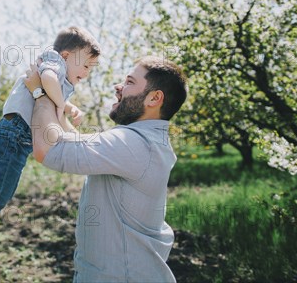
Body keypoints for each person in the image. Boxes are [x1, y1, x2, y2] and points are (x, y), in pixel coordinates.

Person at [0, 27, 101, 281]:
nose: (87, 73)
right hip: (13, 133)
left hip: (19, 140)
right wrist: (64, 108)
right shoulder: (53, 59)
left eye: (91, 68)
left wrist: (70, 122)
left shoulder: (61, 81)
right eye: (85, 65)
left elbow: (54, 117)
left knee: (3, 194)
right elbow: (48, 83)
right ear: (66, 55)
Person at [25, 55, 188, 282]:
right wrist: (58, 105)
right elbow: (77, 144)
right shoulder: (144, 141)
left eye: (130, 82)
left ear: (154, 98)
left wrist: (39, 94)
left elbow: (47, 149)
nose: (118, 87)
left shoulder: (133, 143)